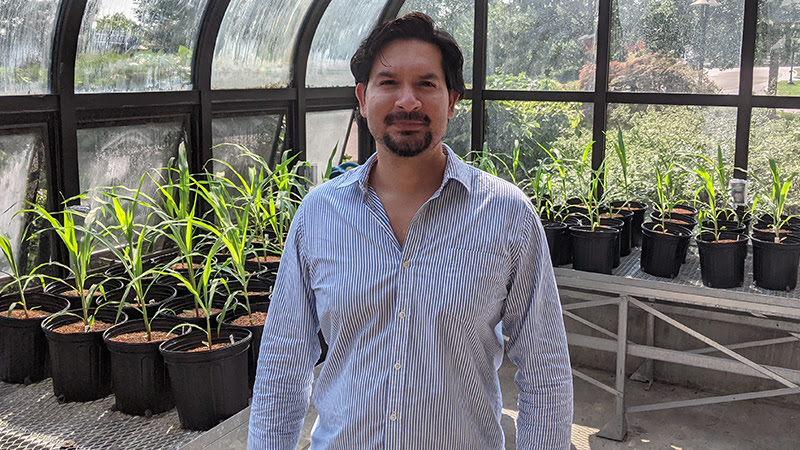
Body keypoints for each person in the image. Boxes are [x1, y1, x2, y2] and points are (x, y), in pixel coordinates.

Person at [248, 12, 573, 449]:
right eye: (388, 83)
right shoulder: (319, 215)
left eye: (426, 84)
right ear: (363, 98)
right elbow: (282, 366)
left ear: (452, 101)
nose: (407, 102)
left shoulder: (507, 215)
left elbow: (545, 373)